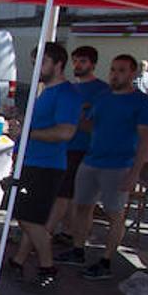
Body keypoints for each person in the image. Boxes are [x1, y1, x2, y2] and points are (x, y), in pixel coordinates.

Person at [55, 54, 148, 280]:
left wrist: (134, 173)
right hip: (91, 160)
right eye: (113, 70)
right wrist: (74, 115)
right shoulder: (103, 97)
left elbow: (146, 141)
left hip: (119, 165)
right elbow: (91, 126)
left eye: (121, 70)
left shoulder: (143, 103)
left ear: (132, 74)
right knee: (82, 207)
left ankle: (106, 260)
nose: (115, 75)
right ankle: (78, 249)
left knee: (114, 214)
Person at [3, 42, 81, 289]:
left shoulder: (66, 94)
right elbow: (38, 125)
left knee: (29, 219)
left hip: (46, 166)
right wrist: (20, 119)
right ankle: (19, 260)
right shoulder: (47, 91)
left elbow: (66, 132)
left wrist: (27, 133)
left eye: (42, 62)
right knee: (30, 218)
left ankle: (48, 268)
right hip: (35, 161)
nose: (37, 67)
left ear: (58, 64)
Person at [46, 45, 108, 246]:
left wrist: (76, 116)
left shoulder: (101, 90)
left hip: (84, 149)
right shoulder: (71, 88)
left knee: (68, 195)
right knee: (65, 193)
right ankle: (66, 231)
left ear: (93, 64)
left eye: (83, 61)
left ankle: (49, 233)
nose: (78, 65)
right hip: (63, 147)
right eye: (76, 61)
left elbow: (97, 123)